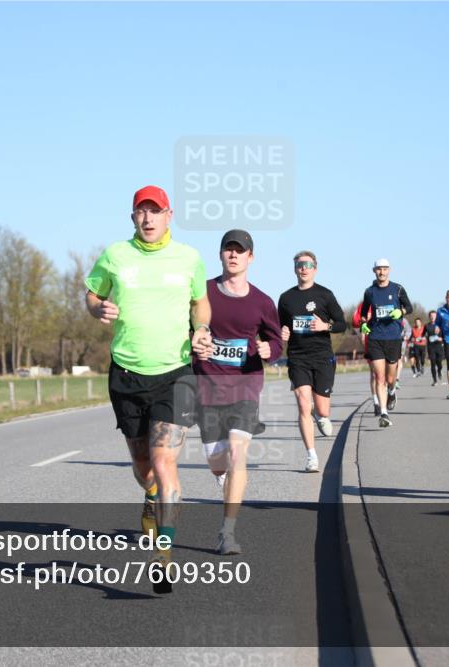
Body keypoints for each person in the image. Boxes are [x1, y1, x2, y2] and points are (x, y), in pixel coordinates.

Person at [85, 185, 212, 590]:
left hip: (174, 373)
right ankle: (151, 494)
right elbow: (91, 293)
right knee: (144, 470)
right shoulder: (115, 256)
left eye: (155, 211)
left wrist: (203, 327)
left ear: (169, 215)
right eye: (142, 212)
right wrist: (97, 307)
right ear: (132, 217)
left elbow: (200, 302)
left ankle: (164, 553)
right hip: (126, 374)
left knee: (164, 461)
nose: (149, 218)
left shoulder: (189, 257)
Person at [194, 229, 282, 555]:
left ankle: (227, 532)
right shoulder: (202, 294)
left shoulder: (262, 302)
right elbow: (184, 328)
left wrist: (267, 349)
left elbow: (276, 342)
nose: (233, 255)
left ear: (250, 257)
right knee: (217, 462)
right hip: (207, 386)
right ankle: (224, 479)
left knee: (237, 453)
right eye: (228, 250)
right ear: (220, 255)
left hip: (245, 385)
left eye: (240, 250)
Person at [278, 251, 346, 472]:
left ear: (315, 268)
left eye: (308, 265)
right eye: (299, 265)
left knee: (322, 409)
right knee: (302, 405)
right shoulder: (286, 298)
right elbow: (280, 327)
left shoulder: (325, 295)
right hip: (298, 357)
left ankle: (321, 415)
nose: (304, 268)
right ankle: (311, 456)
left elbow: (342, 324)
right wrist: (282, 333)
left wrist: (325, 326)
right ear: (295, 268)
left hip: (322, 356)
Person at [358, 258, 412, 427]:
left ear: (389, 270)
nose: (382, 272)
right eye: (379, 269)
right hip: (375, 338)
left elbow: (409, 307)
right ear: (374, 271)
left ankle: (392, 391)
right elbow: (364, 314)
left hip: (394, 337)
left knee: (390, 378)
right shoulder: (369, 292)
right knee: (379, 377)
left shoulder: (398, 289)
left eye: (384, 269)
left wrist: (400, 311)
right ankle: (384, 413)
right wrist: (364, 324)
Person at [424, 310, 444, 386]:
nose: (432, 317)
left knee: (439, 362)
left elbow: (444, 337)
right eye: (431, 316)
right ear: (429, 317)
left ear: (436, 317)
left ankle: (439, 370)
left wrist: (439, 339)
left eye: (434, 316)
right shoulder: (426, 326)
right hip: (431, 347)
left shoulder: (440, 325)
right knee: (433, 363)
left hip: (439, 346)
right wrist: (423, 338)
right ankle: (435, 380)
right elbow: (423, 335)